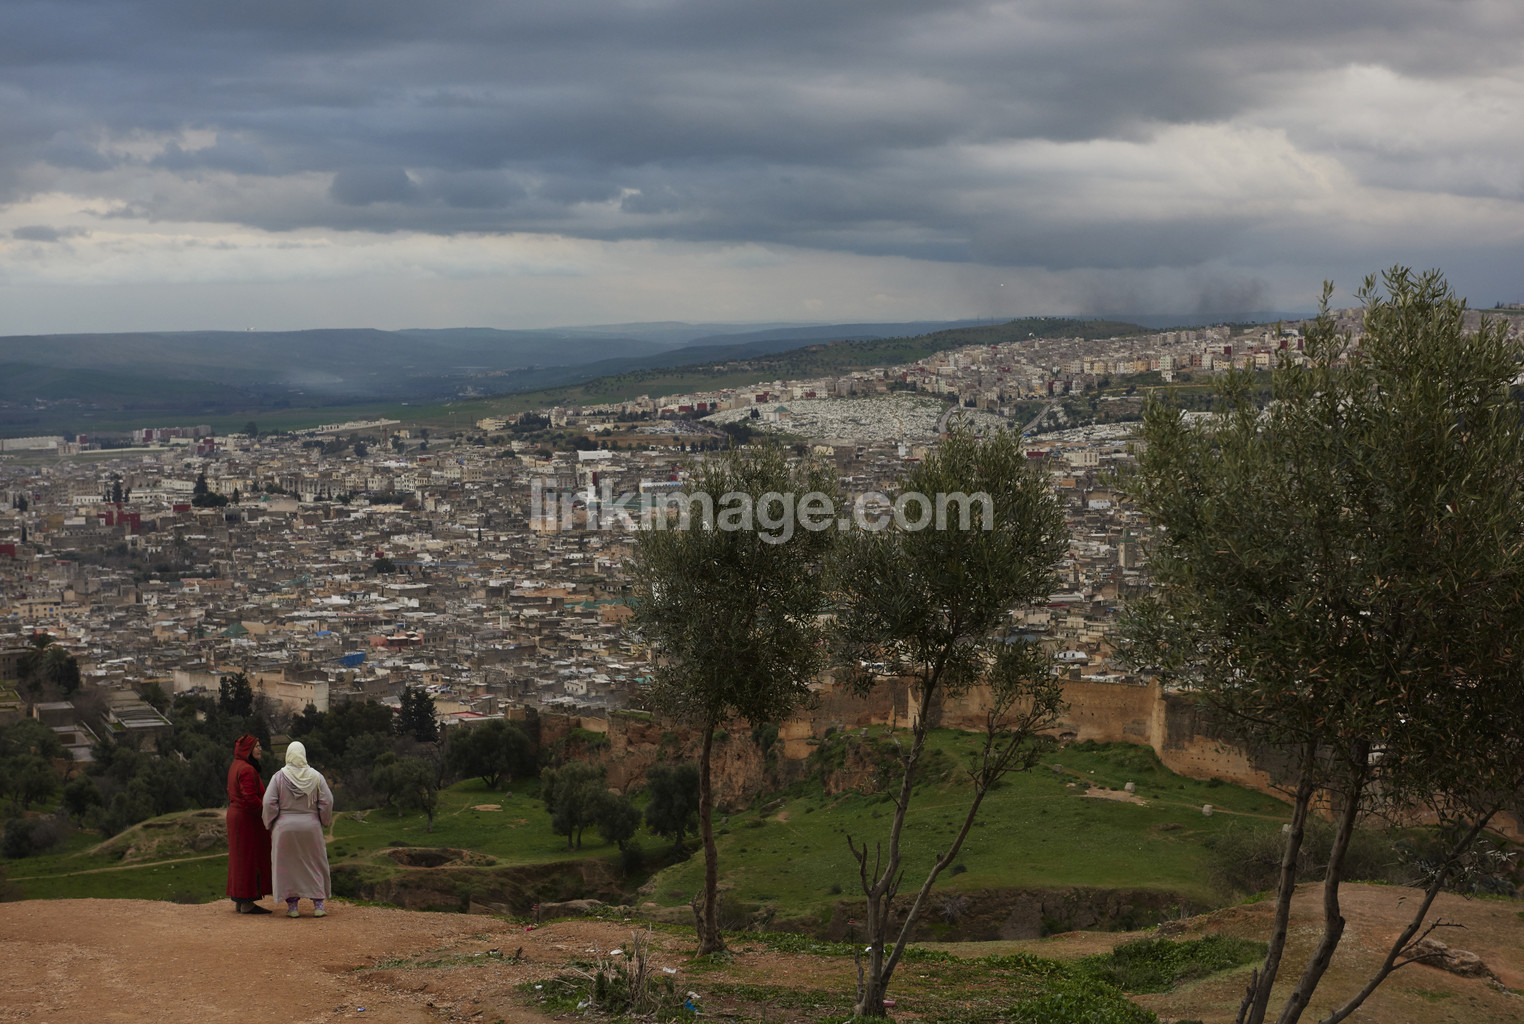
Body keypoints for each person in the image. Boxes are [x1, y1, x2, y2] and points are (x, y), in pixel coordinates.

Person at [262, 740, 334, 918]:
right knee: (315, 864)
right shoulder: (316, 776)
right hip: (311, 827)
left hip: (285, 828)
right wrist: (323, 820)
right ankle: (318, 905)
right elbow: (327, 801)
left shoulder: (278, 777)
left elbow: (268, 802)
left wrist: (270, 822)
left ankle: (293, 907)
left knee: (288, 866)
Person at [225, 734, 272, 914]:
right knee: (250, 858)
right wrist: (267, 813)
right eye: (257, 746)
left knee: (240, 858)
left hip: (237, 817)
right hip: (246, 820)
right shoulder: (246, 770)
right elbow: (250, 799)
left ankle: (240, 899)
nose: (260, 749)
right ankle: (247, 902)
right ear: (248, 750)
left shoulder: (236, 766)